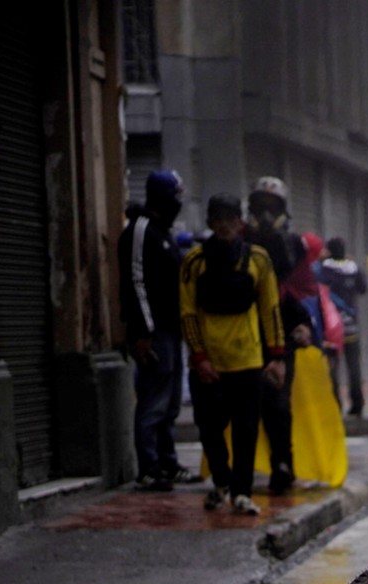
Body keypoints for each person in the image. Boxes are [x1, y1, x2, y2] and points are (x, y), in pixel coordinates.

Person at [178, 194, 286, 515]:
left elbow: (270, 310)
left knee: (247, 429)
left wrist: (277, 356)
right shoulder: (194, 262)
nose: (225, 225)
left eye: (231, 219)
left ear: (241, 223)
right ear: (210, 223)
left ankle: (241, 491)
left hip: (248, 360)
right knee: (209, 427)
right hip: (209, 363)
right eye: (218, 219)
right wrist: (199, 357)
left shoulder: (259, 260)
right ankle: (221, 480)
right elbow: (187, 313)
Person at [119, 169, 199, 491]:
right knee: (153, 402)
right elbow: (135, 281)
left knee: (169, 404)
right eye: (175, 196)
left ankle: (167, 462)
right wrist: (143, 331)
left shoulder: (163, 233)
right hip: (153, 334)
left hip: (171, 330)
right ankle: (149, 467)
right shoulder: (141, 231)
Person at [244, 176, 314, 495]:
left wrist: (305, 325)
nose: (266, 214)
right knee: (243, 405)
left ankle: (282, 464)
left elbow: (302, 290)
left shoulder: (294, 246)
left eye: (272, 208)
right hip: (243, 333)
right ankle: (236, 472)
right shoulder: (240, 241)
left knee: (277, 403)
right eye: (260, 207)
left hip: (281, 334)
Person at [317, 237, 368, 416]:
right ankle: (357, 404)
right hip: (351, 326)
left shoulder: (323, 270)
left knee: (333, 367)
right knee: (354, 367)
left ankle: (335, 404)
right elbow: (363, 289)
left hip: (331, 329)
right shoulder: (354, 269)